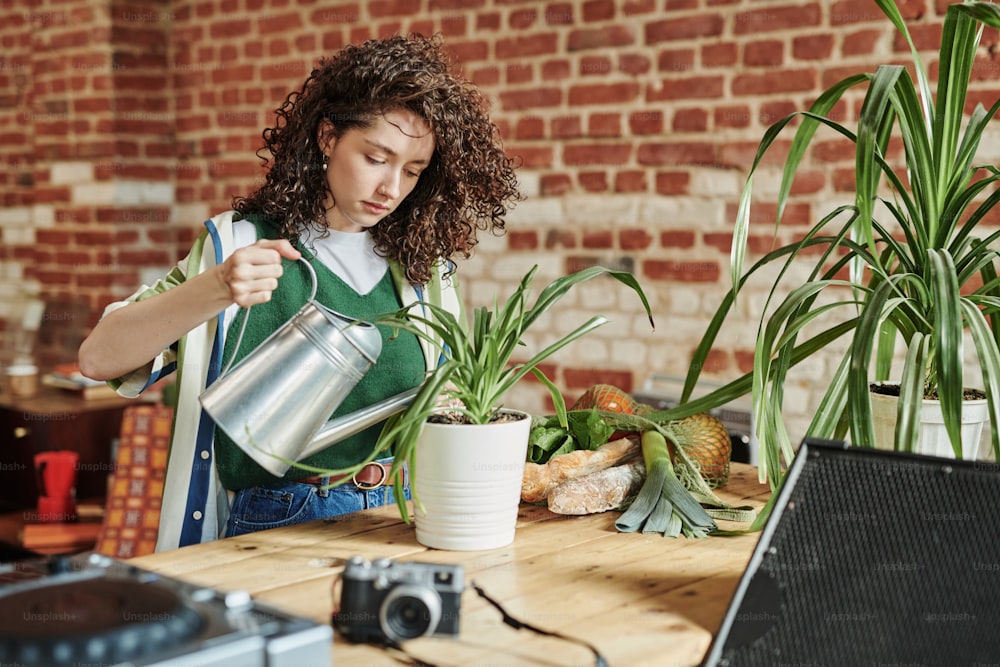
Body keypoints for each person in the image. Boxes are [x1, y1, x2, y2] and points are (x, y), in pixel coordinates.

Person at [78, 34, 521, 551]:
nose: (392, 188)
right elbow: (98, 357)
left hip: (399, 516)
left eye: (413, 171)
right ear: (328, 137)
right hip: (277, 520)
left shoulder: (425, 270)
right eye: (377, 158)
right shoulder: (237, 243)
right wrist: (215, 288)